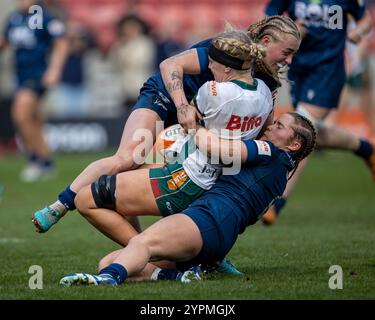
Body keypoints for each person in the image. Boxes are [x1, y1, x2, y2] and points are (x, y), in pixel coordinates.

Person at [32, 16, 301, 235]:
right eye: (287, 52)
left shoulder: (267, 81)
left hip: (195, 118)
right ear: (266, 41)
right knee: (128, 159)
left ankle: (166, 254)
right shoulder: (230, 47)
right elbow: (170, 64)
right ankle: (59, 206)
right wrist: (183, 106)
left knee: (208, 186)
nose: (289, 60)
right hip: (165, 99)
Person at [59, 112, 317, 286]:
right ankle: (173, 275)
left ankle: (106, 280)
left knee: (141, 244)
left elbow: (218, 149)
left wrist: (192, 124)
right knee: (112, 259)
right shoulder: (281, 176)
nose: (270, 126)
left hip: (206, 221)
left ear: (293, 145)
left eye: (279, 126)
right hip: (217, 237)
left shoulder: (270, 151)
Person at [262, 0, 375, 225]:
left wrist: (358, 32)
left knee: (302, 128)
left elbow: (365, 18)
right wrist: (290, 26)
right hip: (297, 66)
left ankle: (277, 201)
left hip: (328, 69)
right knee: (316, 137)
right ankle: (367, 149)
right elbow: (268, 17)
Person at [0, 0, 68, 182]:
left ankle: (35, 160)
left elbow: (61, 43)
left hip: (37, 75)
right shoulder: (14, 19)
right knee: (34, 120)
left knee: (20, 115)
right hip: (20, 75)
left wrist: (54, 70)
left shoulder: (45, 16)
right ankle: (46, 162)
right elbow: (5, 42)